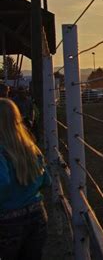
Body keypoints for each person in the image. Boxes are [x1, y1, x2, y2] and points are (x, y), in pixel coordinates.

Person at [0, 98, 50, 260]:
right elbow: (46, 180)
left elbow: (3, 183)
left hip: (8, 222)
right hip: (37, 214)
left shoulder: (1, 151)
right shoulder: (30, 148)